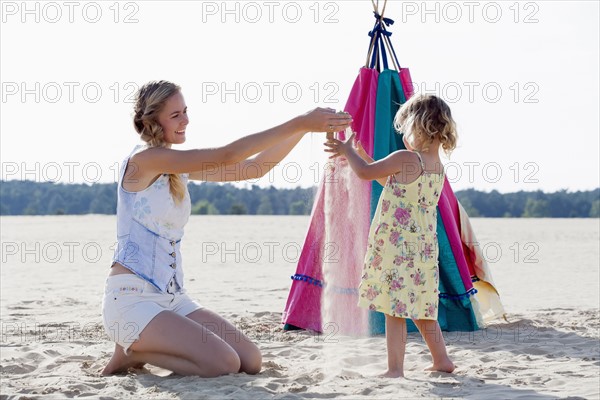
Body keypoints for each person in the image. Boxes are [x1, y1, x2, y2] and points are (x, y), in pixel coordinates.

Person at [101, 80, 352, 377]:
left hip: (172, 298)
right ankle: (131, 352)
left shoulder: (175, 165)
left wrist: (303, 129)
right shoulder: (144, 160)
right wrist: (299, 121)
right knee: (223, 364)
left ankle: (139, 348)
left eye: (185, 111)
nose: (186, 120)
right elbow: (227, 154)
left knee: (250, 360)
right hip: (132, 299)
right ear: (152, 120)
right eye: (175, 115)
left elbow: (254, 168)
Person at [324, 93, 457, 378]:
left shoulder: (405, 157)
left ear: (418, 128)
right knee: (421, 306)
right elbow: (391, 182)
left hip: (396, 247)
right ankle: (441, 359)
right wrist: (363, 156)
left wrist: (349, 152)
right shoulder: (437, 167)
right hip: (421, 249)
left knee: (393, 308)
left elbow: (365, 174)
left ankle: (395, 369)